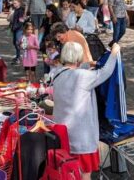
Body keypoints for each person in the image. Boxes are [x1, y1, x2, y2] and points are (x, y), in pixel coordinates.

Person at [52, 42, 121, 180]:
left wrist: (89, 65)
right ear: (78, 57)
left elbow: (73, 71)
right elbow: (105, 72)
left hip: (63, 135)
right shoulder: (82, 77)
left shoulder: (57, 74)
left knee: (68, 172)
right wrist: (114, 52)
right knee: (84, 174)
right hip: (81, 138)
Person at [8, 0, 26, 64]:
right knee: (15, 43)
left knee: (18, 43)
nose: (14, 4)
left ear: (19, 3)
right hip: (15, 28)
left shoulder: (21, 11)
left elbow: (21, 21)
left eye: (15, 3)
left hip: (19, 29)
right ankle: (18, 56)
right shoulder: (15, 10)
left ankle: (20, 57)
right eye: (13, 3)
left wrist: (16, 27)